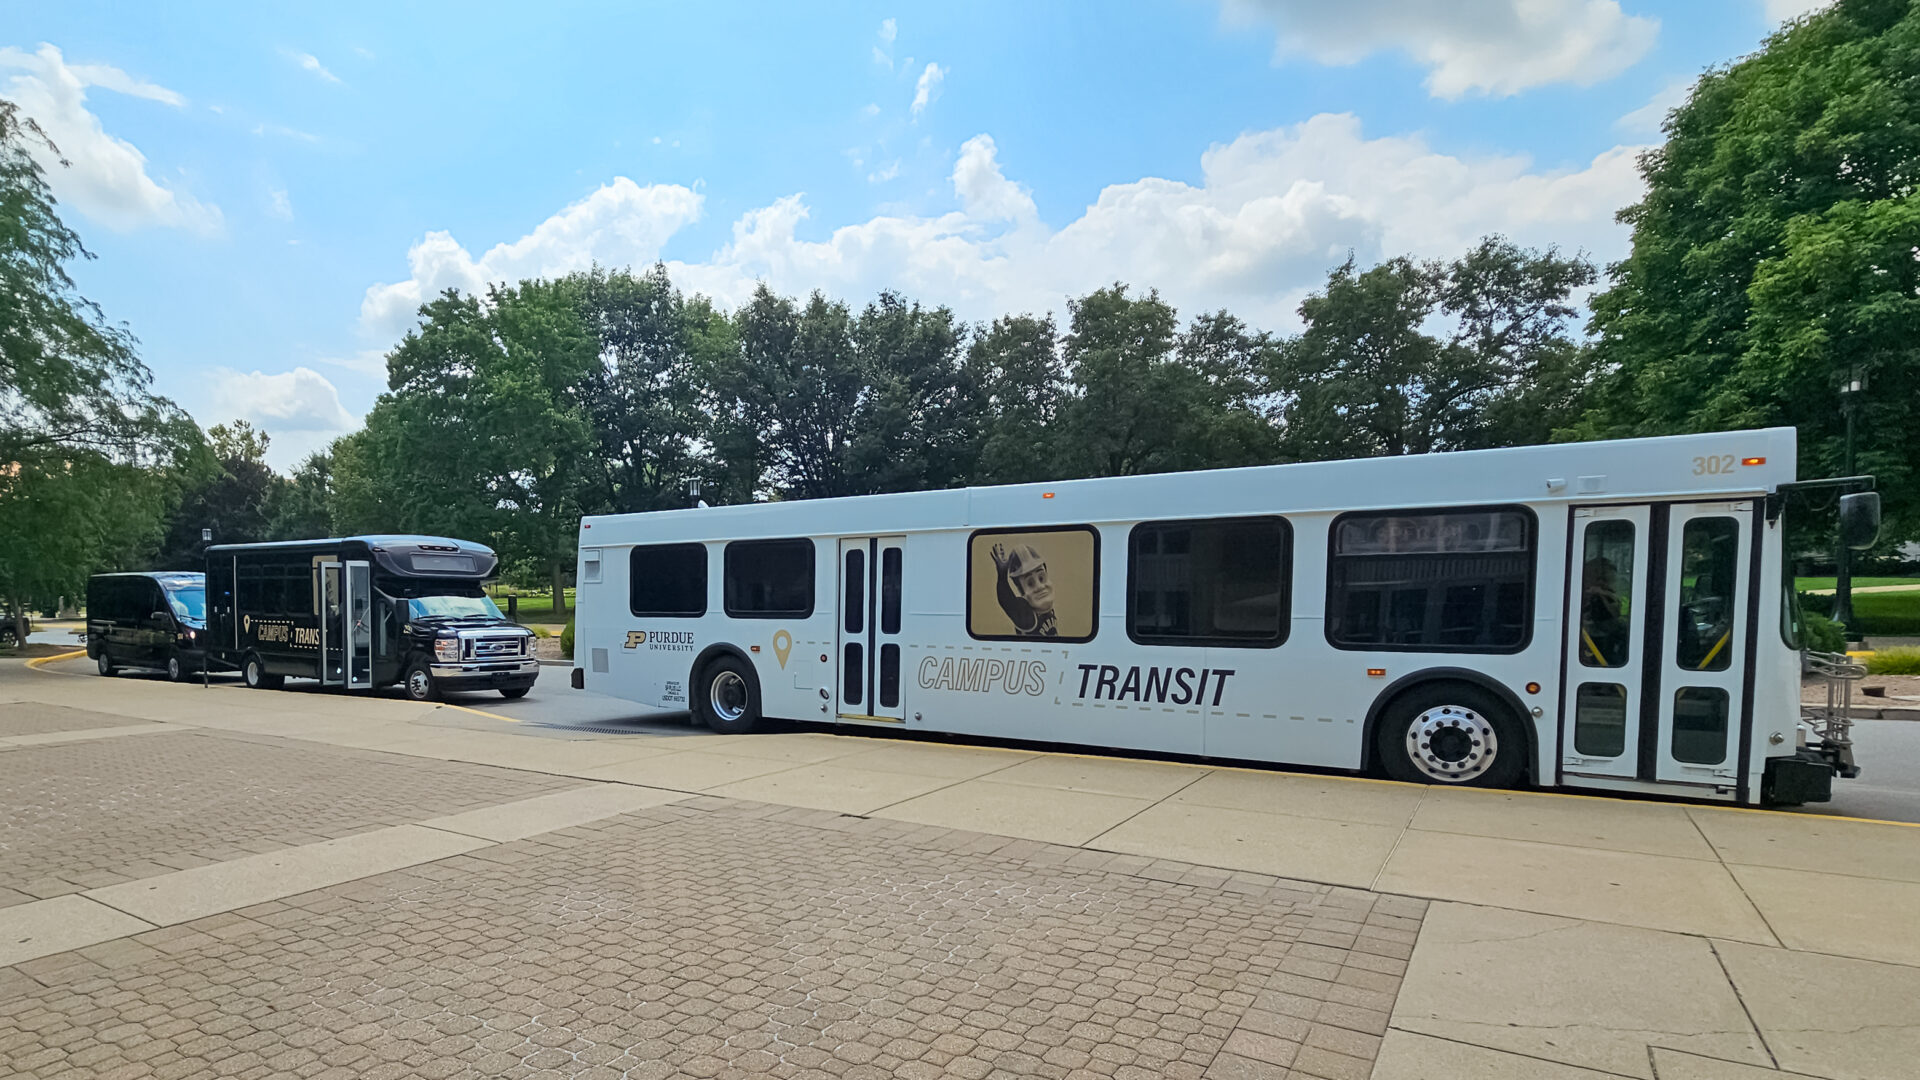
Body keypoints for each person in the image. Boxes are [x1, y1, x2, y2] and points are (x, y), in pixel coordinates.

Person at [991, 542, 1058, 637]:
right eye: (1030, 583)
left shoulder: (1047, 609)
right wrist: (1002, 577)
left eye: (1041, 578)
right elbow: (1007, 602)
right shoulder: (1027, 617)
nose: (1040, 587)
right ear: (1021, 590)